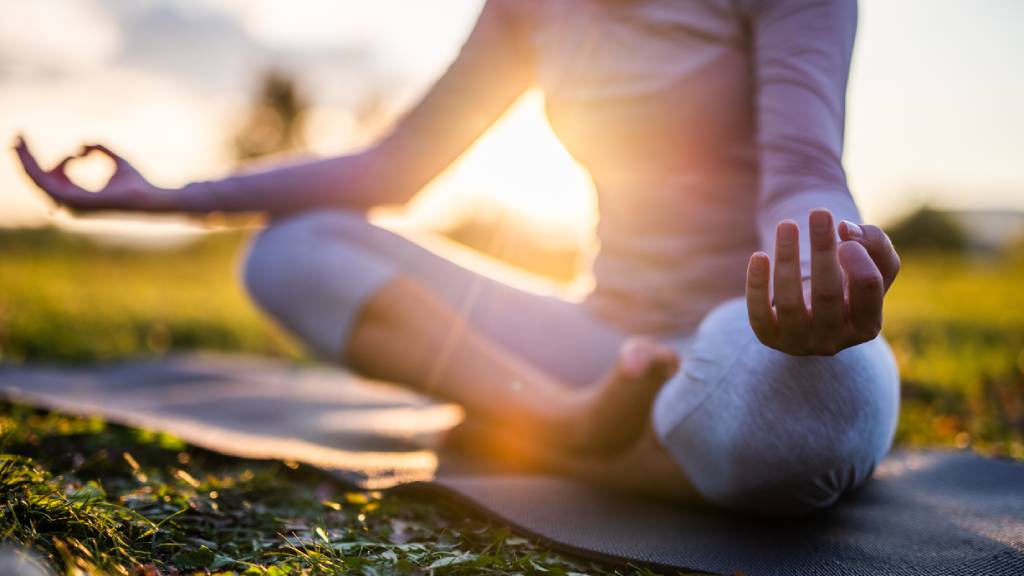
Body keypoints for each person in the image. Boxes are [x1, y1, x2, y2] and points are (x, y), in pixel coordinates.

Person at [14, 0, 901, 516]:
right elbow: (394, 169)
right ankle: (564, 422)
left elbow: (802, 172)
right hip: (597, 344)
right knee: (290, 249)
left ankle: (562, 438)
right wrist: (164, 197)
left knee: (810, 413)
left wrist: (823, 262)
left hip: (749, 337)